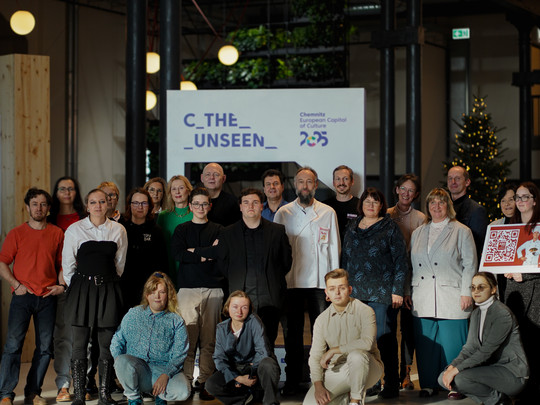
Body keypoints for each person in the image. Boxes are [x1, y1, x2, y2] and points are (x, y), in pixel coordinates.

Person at [274, 166, 340, 395]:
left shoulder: (328, 212)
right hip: (291, 283)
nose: (305, 186)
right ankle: (292, 382)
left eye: (309, 182)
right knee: (292, 334)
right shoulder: (283, 213)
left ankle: (321, 381)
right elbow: (278, 251)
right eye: (301, 181)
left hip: (319, 285)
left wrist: (332, 286)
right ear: (295, 185)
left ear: (316, 185)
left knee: (321, 334)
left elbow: (334, 249)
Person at [409, 188, 477, 399]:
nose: (436, 206)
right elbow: (410, 266)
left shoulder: (461, 231)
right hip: (423, 295)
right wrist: (407, 291)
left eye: (441, 202)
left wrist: (467, 292)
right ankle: (429, 384)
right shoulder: (418, 232)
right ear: (427, 206)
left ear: (448, 205)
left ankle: (456, 385)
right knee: (426, 345)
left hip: (452, 295)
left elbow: (470, 264)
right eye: (432, 203)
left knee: (453, 344)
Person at [341, 187, 408, 399]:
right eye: (367, 201)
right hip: (356, 293)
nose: (370, 205)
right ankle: (370, 382)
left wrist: (397, 290)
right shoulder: (352, 227)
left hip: (382, 293)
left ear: (381, 205)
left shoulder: (390, 227)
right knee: (361, 340)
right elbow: (345, 260)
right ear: (361, 205)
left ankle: (392, 384)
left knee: (384, 339)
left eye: (375, 201)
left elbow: (401, 261)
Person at [62, 188, 128, 405]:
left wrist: (105, 281)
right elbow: (68, 265)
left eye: (102, 201)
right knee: (79, 344)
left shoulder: (118, 230)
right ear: (87, 206)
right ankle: (80, 395)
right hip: (82, 289)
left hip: (108, 288)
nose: (98, 206)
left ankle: (104, 395)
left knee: (107, 344)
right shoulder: (75, 229)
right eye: (93, 202)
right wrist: (82, 286)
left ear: (108, 204)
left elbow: (119, 264)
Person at [0, 188, 65, 405]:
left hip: (47, 297)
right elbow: (2, 263)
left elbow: (62, 265)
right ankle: (5, 394)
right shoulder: (16, 233)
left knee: (45, 348)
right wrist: (16, 285)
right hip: (23, 296)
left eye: (43, 204)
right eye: (35, 204)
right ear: (27, 207)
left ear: (48, 208)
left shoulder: (57, 233)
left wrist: (61, 285)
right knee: (13, 345)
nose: (39, 208)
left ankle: (33, 393)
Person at [438, 272, 528, 405]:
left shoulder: (502, 314)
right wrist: (452, 367)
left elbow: (485, 352)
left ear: (493, 289)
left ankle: (499, 400)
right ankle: (494, 398)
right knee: (442, 377)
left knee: (461, 378)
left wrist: (456, 370)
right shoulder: (476, 313)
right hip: (489, 369)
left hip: (512, 374)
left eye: (481, 287)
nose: (476, 291)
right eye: (473, 287)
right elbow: (469, 349)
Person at [218, 188, 292, 347]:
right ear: (240, 207)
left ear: (261, 206)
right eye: (246, 202)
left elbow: (286, 262)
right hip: (240, 299)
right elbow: (223, 265)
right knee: (240, 345)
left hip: (270, 299)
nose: (250, 206)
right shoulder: (227, 233)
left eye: (255, 202)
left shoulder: (277, 231)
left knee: (267, 344)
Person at [170, 187, 224, 400]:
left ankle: (205, 381)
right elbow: (178, 254)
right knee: (187, 338)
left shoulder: (219, 229)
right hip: (187, 289)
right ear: (190, 206)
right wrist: (207, 253)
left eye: (204, 204)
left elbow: (219, 253)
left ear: (209, 206)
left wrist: (194, 252)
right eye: (196, 204)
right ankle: (185, 380)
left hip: (214, 288)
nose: (200, 207)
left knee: (209, 339)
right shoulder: (182, 230)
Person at [303, 269, 383, 405]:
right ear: (326, 293)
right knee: (311, 403)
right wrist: (318, 386)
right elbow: (316, 356)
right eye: (332, 289)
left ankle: (355, 400)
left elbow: (367, 343)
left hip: (368, 367)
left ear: (350, 289)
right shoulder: (322, 320)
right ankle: (345, 397)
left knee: (356, 356)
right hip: (339, 369)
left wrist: (334, 350)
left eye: (342, 288)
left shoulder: (365, 311)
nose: (337, 292)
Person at [111, 272, 190, 405]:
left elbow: (180, 353)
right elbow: (116, 341)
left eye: (162, 292)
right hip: (138, 370)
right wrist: (121, 368)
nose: (157, 296)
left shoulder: (176, 321)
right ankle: (134, 399)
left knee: (183, 391)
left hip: (163, 370)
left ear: (168, 295)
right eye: (153, 292)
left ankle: (161, 395)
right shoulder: (133, 314)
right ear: (147, 295)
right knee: (121, 360)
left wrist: (166, 374)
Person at [48, 176, 87, 402]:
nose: (66, 192)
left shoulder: (84, 218)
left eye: (71, 189)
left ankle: (83, 382)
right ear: (56, 192)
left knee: (84, 336)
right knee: (63, 336)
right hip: (57, 285)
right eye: (62, 188)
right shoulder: (49, 218)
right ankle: (63, 384)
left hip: (82, 284)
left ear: (76, 192)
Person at [205, 291, 280, 405]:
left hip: (255, 366)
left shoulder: (254, 321)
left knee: (268, 363)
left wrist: (250, 374)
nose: (239, 311)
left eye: (244, 307)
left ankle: (270, 402)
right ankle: (242, 400)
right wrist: (238, 378)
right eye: (235, 307)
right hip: (235, 368)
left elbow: (262, 352)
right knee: (211, 384)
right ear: (228, 307)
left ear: (249, 309)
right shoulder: (221, 328)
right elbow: (219, 358)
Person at [387, 174, 425, 390]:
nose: (406, 193)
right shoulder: (386, 214)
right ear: (397, 190)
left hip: (412, 281)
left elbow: (419, 256)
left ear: (416, 194)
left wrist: (408, 288)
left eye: (411, 190)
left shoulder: (421, 218)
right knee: (388, 329)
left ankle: (406, 373)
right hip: (390, 281)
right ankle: (389, 373)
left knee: (408, 331)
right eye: (403, 188)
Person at [505, 181, 540, 402]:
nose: (520, 201)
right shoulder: (510, 227)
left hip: (536, 292)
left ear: (534, 200)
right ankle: (520, 389)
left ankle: (534, 391)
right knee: (516, 343)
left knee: (534, 343)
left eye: (525, 196)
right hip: (513, 291)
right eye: (517, 197)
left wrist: (524, 275)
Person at [119, 188, 168, 313]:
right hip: (124, 286)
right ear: (129, 205)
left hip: (148, 288)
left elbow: (162, 262)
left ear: (150, 206)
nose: (139, 207)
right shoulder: (120, 228)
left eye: (144, 203)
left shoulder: (156, 231)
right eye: (135, 203)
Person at [447, 165, 488, 260]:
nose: (453, 182)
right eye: (450, 178)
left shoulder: (477, 210)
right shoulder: (442, 208)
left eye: (457, 178)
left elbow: (478, 246)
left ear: (467, 182)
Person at [156, 175, 193, 278]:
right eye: (174, 189)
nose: (177, 192)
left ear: (188, 191)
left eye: (181, 188)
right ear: (170, 193)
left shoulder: (196, 214)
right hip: (167, 264)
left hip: (190, 266)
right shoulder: (163, 216)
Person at [490, 183, 517, 301]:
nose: (507, 204)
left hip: (518, 281)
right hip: (499, 281)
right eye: (503, 201)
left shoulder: (525, 225)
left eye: (511, 200)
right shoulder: (493, 226)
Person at [323, 165, 359, 244]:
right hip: (330, 249)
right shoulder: (324, 206)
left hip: (353, 250)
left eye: (345, 179)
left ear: (352, 182)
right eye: (338, 179)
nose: (341, 183)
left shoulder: (361, 205)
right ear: (334, 183)